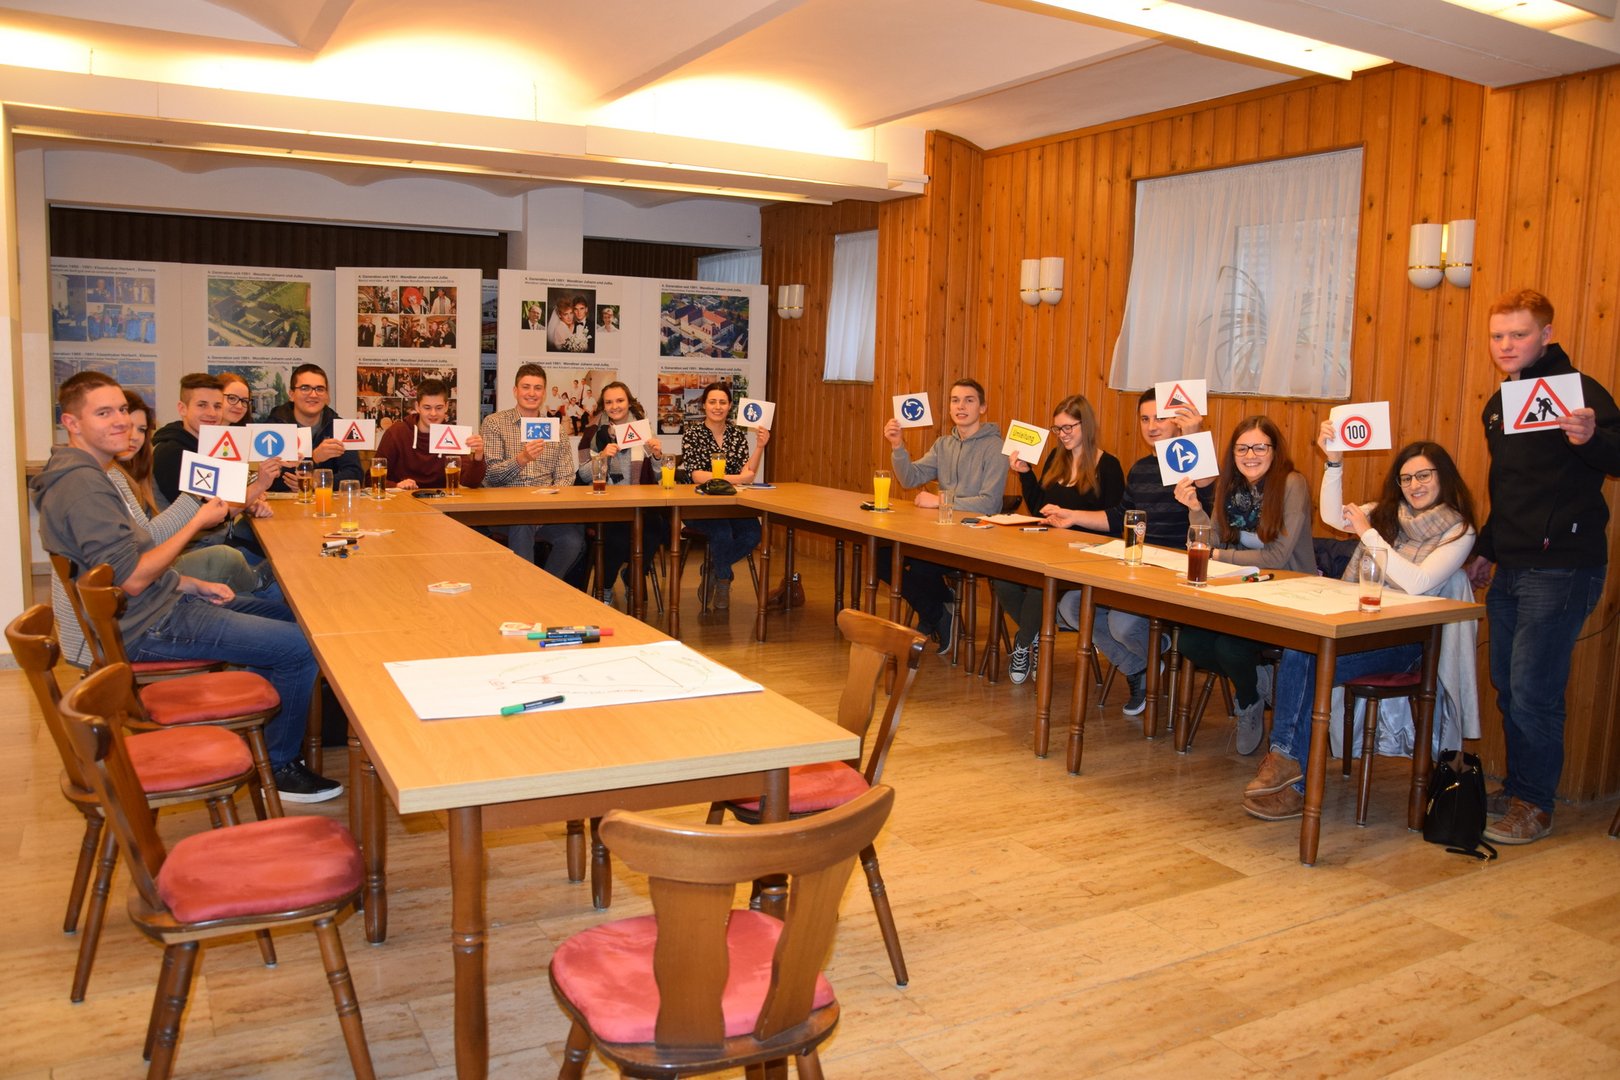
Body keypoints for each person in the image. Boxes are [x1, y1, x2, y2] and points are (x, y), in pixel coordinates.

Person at [32, 372, 339, 803]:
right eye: (104, 413)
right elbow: (133, 578)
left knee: (299, 617)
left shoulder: (95, 474)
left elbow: (124, 565)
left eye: (121, 410)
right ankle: (279, 762)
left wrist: (188, 582)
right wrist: (196, 522)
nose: (120, 421)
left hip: (159, 604)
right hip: (146, 625)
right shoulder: (82, 486)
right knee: (301, 647)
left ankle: (256, 726)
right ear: (72, 423)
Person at [1242, 432, 1480, 820]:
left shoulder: (1458, 530)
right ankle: (1287, 765)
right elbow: (1333, 516)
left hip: (1409, 644)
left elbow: (1417, 582)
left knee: (1310, 662)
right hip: (1361, 630)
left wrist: (1368, 534)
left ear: (1443, 477)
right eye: (1406, 478)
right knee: (1302, 652)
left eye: (1424, 476)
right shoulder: (1388, 514)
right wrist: (1334, 462)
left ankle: (1291, 776)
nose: (1414, 485)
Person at [1468, 289, 1620, 844]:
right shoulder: (1499, 403)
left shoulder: (1578, 392)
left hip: (1562, 568)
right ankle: (1519, 788)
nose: (1506, 345)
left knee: (1534, 690)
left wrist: (1591, 438)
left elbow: (1616, 455)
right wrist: (1487, 549)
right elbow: (1508, 488)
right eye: (1497, 335)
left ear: (1546, 335)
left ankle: (1535, 804)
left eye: (1519, 334)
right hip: (1511, 566)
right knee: (1508, 684)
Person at [1048, 389, 1212, 714]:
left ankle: (1156, 650)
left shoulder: (1196, 467)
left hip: (1177, 574)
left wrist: (1194, 437)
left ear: (1178, 421)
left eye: (1160, 418)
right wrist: (1073, 516)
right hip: (1138, 567)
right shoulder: (1140, 469)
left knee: (1120, 624)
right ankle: (1142, 666)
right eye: (1144, 419)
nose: (1151, 426)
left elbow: (1208, 496)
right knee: (1071, 605)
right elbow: (1119, 517)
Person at [1174, 416, 1314, 754]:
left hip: (1288, 592)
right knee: (1190, 641)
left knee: (1230, 648)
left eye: (1259, 447)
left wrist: (1219, 555)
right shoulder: (1230, 486)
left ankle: (1248, 700)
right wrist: (1195, 509)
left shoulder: (1292, 484)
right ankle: (1257, 685)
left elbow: (1277, 556)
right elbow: (1211, 540)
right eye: (1242, 448)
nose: (1250, 455)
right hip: (1241, 589)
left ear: (1275, 450)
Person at [994, 394, 1124, 684]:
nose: (1062, 434)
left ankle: (1023, 642)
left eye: (1068, 428)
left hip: (1086, 554)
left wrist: (1073, 517)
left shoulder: (1108, 466)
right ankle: (1035, 635)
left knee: (1040, 584)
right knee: (1002, 578)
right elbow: (1040, 507)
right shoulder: (1056, 458)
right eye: (1057, 429)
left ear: (1085, 425)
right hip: (1049, 545)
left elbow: (1115, 523)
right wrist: (1026, 474)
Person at [880, 378, 1004, 653]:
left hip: (975, 537)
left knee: (922, 566)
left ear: (982, 407)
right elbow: (910, 478)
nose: (961, 406)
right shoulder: (943, 444)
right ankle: (938, 612)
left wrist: (940, 501)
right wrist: (898, 446)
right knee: (882, 555)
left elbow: (989, 503)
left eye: (969, 400)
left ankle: (934, 611)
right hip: (940, 534)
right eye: (955, 400)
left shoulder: (995, 447)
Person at [479, 363, 586, 580]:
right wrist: (522, 459)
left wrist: (548, 501)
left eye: (537, 388)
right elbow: (490, 476)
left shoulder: (555, 429)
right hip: (505, 510)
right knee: (523, 522)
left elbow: (566, 476)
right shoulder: (495, 423)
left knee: (573, 541)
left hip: (545, 510)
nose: (531, 393)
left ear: (544, 393)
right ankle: (525, 591)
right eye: (526, 387)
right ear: (515, 391)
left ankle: (543, 587)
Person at [677, 382, 770, 610]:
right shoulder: (692, 434)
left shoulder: (737, 435)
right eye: (712, 402)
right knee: (722, 533)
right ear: (704, 405)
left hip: (731, 504)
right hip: (698, 506)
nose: (717, 407)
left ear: (729, 406)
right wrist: (737, 478)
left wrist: (760, 446)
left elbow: (749, 472)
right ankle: (724, 580)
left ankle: (713, 567)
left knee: (753, 533)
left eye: (722, 402)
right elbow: (697, 475)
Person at [576, 381, 668, 607]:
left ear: (629, 402)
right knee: (616, 536)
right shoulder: (593, 432)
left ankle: (632, 576)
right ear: (603, 405)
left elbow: (658, 476)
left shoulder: (642, 429)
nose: (615, 406)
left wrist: (657, 456)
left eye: (620, 400)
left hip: (639, 503)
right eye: (609, 402)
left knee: (656, 528)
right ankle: (605, 587)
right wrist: (602, 457)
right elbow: (584, 476)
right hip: (606, 503)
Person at [265, 363, 363, 492]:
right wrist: (314, 458)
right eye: (305, 388)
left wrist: (316, 483)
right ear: (291, 395)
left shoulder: (339, 427)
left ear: (327, 396)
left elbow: (355, 475)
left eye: (320, 389)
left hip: (327, 501)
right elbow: (270, 481)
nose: (313, 395)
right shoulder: (274, 428)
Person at [376, 378, 487, 490]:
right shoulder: (396, 433)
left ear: (446, 406)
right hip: (403, 498)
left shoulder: (452, 435)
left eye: (439, 408)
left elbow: (470, 482)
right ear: (417, 407)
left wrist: (478, 456)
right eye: (427, 408)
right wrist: (396, 486)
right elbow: (372, 478)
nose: (433, 413)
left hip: (441, 498)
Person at [150, 372, 226, 508]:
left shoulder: (213, 448)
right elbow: (204, 514)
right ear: (182, 409)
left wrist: (251, 504)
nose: (212, 413)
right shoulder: (170, 453)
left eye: (217, 406)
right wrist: (258, 487)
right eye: (202, 405)